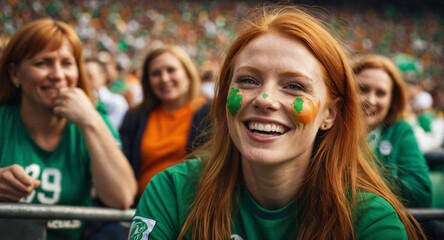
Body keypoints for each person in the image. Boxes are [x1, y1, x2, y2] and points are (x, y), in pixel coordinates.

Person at [128, 5, 425, 240]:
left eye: (294, 86)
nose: (264, 99)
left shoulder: (370, 219)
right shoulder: (172, 192)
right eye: (247, 80)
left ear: (330, 114)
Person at [0, 19, 137, 240]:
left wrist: (91, 122)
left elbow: (121, 197)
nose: (58, 75)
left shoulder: (93, 118)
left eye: (66, 63)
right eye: (42, 63)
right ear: (15, 74)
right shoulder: (3, 120)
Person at [119, 45, 207, 202]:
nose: (164, 79)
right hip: (142, 207)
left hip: (189, 207)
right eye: (156, 73)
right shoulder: (135, 117)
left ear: (187, 73)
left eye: (171, 70)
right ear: (148, 81)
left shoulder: (209, 113)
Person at [352, 54, 432, 209]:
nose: (371, 100)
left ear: (392, 100)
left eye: (381, 93)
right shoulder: (329, 125)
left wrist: (357, 177)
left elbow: (421, 195)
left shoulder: (401, 131)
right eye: (362, 89)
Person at [85, 58, 129, 130]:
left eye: (89, 76)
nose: (84, 80)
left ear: (103, 77)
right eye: (81, 76)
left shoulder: (116, 103)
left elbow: (109, 131)